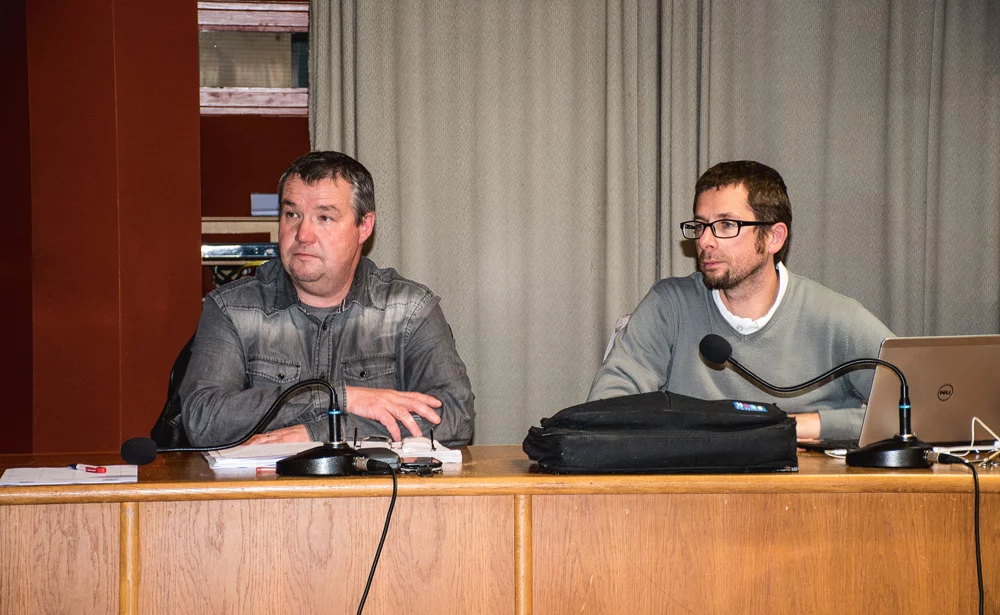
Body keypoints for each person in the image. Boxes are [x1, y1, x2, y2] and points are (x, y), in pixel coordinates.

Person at [181, 151, 474, 447]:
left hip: (376, 494)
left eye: (324, 217)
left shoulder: (408, 309)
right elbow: (202, 419)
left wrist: (321, 433)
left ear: (364, 226)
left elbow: (454, 417)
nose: (303, 234)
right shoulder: (233, 308)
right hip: (268, 493)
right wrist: (337, 397)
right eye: (292, 214)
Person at [588, 160, 892, 442]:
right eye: (700, 225)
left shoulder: (834, 318)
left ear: (774, 237)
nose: (705, 241)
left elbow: (920, 411)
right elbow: (604, 412)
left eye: (726, 225)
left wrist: (800, 426)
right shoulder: (670, 307)